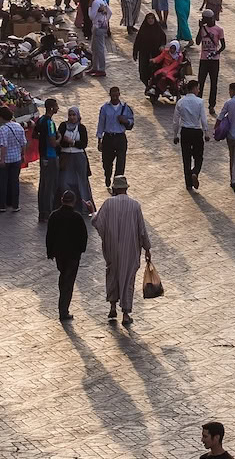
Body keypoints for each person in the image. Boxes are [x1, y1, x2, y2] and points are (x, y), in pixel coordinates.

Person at [93, 175, 154, 326]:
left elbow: (98, 223)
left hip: (112, 248)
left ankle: (113, 306)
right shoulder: (135, 206)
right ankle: (126, 314)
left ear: (114, 188)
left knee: (112, 274)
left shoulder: (108, 204)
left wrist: (92, 212)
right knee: (128, 279)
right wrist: (147, 248)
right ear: (126, 188)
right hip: (130, 249)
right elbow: (142, 230)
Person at [46, 189, 90, 322]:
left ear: (61, 200)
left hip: (59, 254)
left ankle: (63, 308)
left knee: (64, 276)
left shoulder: (54, 215)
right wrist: (81, 250)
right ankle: (63, 310)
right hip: (73, 255)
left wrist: (50, 252)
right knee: (68, 281)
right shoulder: (76, 217)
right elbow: (83, 237)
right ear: (74, 201)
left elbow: (49, 236)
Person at [97, 86, 135, 186]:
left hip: (120, 138)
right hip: (108, 138)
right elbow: (101, 124)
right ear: (110, 95)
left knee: (121, 162)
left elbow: (131, 120)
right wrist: (99, 139)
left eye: (116, 94)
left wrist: (125, 121)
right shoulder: (104, 108)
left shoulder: (125, 108)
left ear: (119, 94)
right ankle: (107, 175)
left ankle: (117, 184)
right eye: (112, 95)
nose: (114, 97)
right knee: (107, 162)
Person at [175, 84, 207, 191]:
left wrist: (175, 135)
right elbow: (203, 119)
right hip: (196, 131)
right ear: (193, 89)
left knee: (186, 158)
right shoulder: (200, 102)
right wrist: (206, 133)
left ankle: (188, 183)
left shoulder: (180, 102)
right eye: (198, 88)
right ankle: (195, 172)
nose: (198, 90)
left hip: (185, 132)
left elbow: (176, 121)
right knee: (199, 156)